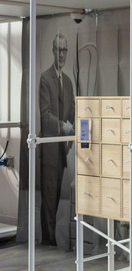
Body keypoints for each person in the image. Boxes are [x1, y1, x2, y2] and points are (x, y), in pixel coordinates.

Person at [38, 33, 75, 246]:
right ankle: (47, 240)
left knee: (56, 194)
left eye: (64, 50)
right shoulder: (45, 78)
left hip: (62, 148)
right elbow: (45, 114)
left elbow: (71, 108)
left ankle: (51, 239)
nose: (61, 54)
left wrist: (73, 127)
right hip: (49, 148)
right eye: (58, 50)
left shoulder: (68, 82)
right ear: (52, 51)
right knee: (49, 197)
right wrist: (63, 125)